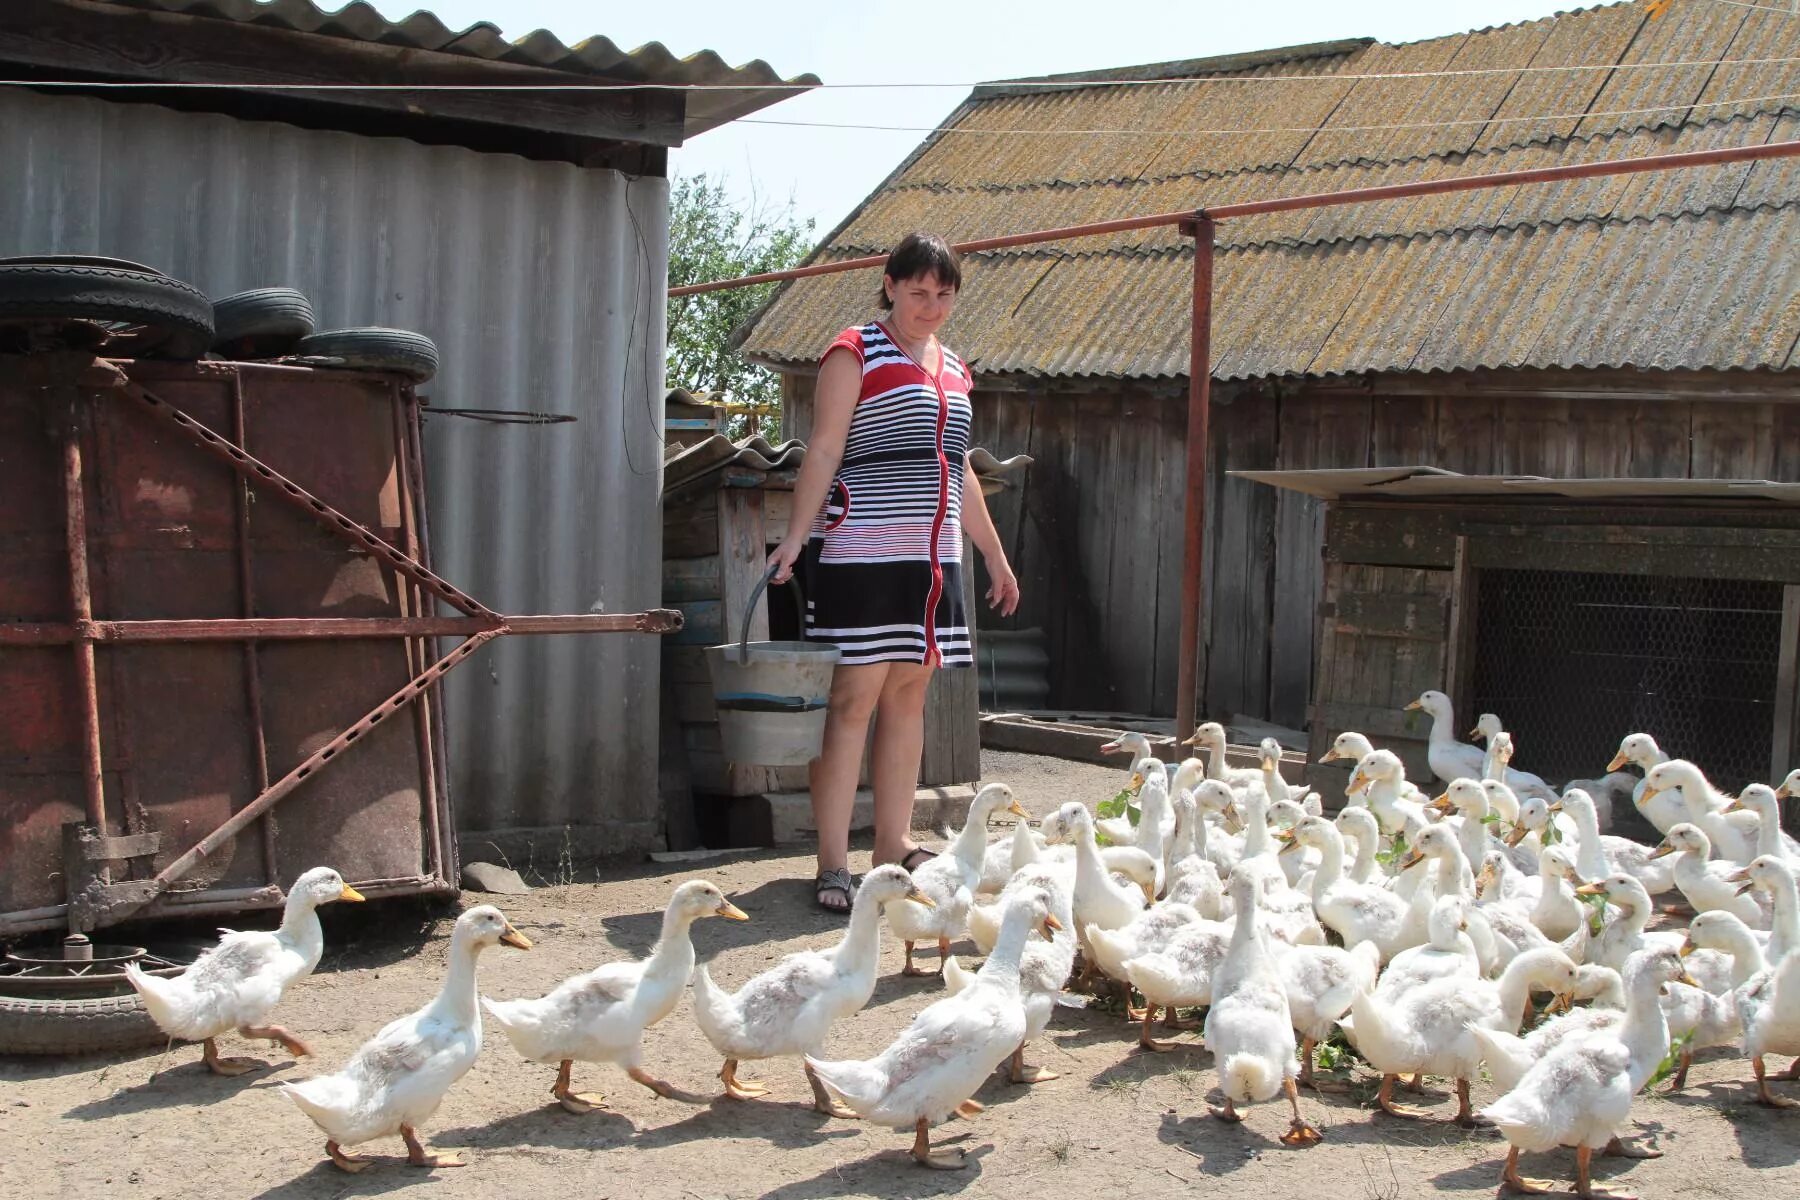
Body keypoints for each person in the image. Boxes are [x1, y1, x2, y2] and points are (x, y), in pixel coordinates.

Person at [767, 232, 1019, 914]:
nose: (930, 306)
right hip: (863, 550)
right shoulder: (855, 350)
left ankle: (890, 842)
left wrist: (993, 554)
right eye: (917, 292)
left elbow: (956, 464)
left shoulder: (955, 367)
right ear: (889, 284)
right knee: (853, 704)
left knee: (909, 700)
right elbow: (822, 450)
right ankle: (831, 863)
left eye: (943, 295)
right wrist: (795, 538)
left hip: (934, 558)